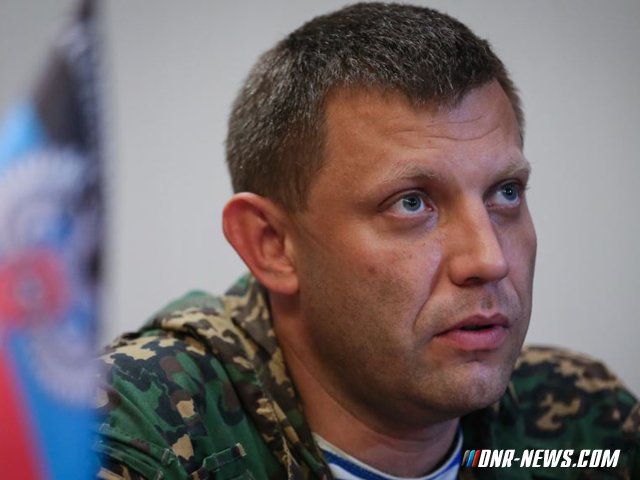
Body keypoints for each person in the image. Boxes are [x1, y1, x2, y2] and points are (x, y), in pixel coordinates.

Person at [94, 3, 639, 479]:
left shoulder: (583, 424)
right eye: (412, 203)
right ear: (272, 244)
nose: (488, 259)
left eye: (505, 193)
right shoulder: (130, 431)